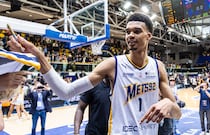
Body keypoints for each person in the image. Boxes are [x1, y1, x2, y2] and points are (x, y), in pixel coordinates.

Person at [8, 12, 181, 134]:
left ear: (149, 36)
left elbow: (177, 113)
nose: (130, 35)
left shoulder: (158, 67)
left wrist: (169, 104)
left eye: (136, 31)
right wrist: (39, 57)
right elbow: (65, 91)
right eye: (127, 32)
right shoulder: (113, 64)